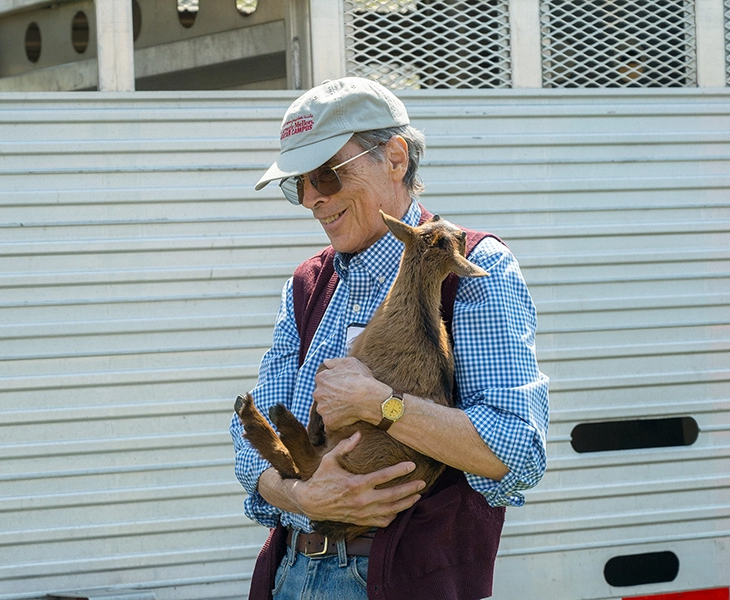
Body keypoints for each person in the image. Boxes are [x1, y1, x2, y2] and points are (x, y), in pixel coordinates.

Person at [230, 77, 549, 600]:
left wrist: (383, 405)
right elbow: (248, 448)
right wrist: (305, 497)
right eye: (297, 184)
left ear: (395, 158)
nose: (312, 198)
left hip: (397, 581)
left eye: (325, 174)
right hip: (289, 575)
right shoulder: (306, 285)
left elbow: (517, 451)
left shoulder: (476, 269)